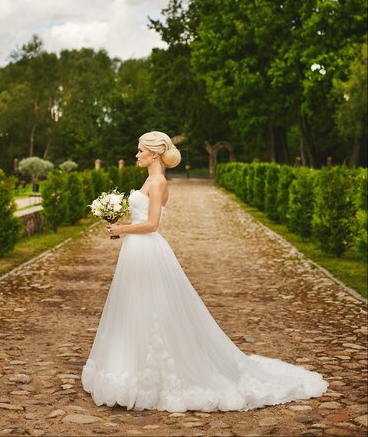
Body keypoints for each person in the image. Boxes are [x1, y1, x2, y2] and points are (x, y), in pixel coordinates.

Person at [81, 131, 328, 412]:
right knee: (135, 307)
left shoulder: (159, 182)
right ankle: (132, 368)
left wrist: (122, 228)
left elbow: (152, 224)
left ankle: (154, 375)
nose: (136, 155)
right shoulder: (149, 179)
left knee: (151, 308)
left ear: (154, 154)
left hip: (146, 248)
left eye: (140, 150)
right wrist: (119, 217)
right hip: (136, 251)